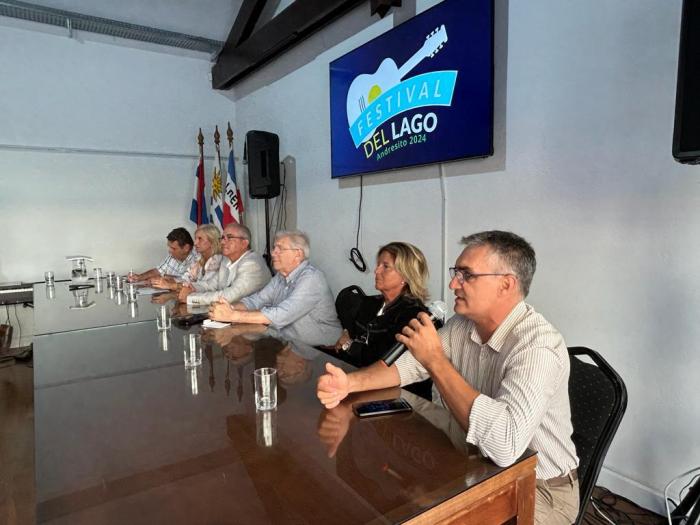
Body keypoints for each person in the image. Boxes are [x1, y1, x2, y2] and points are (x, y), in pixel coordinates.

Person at [317, 231, 580, 525]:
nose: (453, 283)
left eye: (466, 275)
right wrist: (349, 383)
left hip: (538, 487)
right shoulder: (462, 325)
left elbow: (505, 446)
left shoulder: (537, 346)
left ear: (506, 284)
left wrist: (436, 361)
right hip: (474, 462)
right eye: (456, 273)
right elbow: (406, 367)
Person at [209, 230, 342, 346]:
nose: (273, 253)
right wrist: (228, 308)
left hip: (321, 350)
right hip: (291, 342)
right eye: (274, 248)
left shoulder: (312, 278)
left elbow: (281, 315)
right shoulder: (280, 276)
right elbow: (256, 300)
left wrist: (233, 315)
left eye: (280, 249)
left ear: (298, 254)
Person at [334, 242, 429, 367]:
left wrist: (349, 345)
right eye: (378, 265)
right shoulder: (370, 304)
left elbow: (383, 360)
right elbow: (348, 338)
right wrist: (346, 338)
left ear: (406, 276)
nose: (376, 271)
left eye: (385, 266)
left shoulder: (414, 315)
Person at [179, 223, 270, 305]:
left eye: (229, 238)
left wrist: (190, 299)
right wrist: (192, 287)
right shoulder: (226, 260)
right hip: (231, 315)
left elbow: (229, 296)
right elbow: (211, 285)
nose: (222, 242)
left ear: (244, 243)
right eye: (222, 238)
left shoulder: (252, 264)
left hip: (256, 319)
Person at [151, 224, 223, 291]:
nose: (195, 243)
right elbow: (186, 279)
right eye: (195, 238)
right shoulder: (199, 259)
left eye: (200, 239)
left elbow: (204, 287)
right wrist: (166, 280)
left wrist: (171, 286)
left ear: (212, 241)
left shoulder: (217, 260)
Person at [129, 227, 196, 282]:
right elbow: (158, 270)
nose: (169, 251)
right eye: (169, 247)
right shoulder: (172, 255)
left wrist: (164, 278)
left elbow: (187, 281)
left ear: (186, 248)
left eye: (173, 248)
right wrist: (140, 277)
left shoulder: (197, 259)